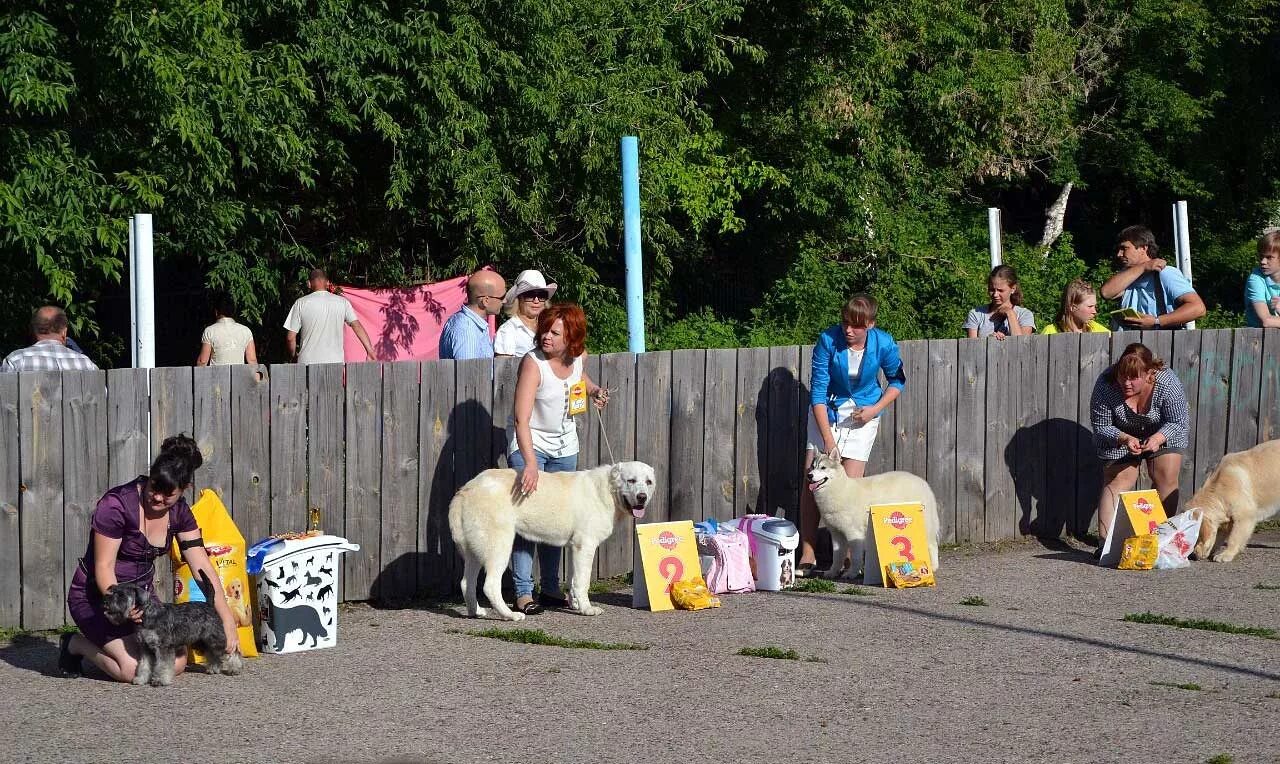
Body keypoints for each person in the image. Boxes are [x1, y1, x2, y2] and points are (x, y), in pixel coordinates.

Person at [58, 434, 240, 681]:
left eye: (168, 495)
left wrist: (226, 618)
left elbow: (201, 565)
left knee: (174, 664)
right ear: (150, 475)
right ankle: (75, 644)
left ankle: (116, 647)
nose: (157, 498)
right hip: (100, 596)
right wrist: (126, 607)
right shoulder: (116, 505)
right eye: (154, 487)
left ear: (184, 490)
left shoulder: (180, 513)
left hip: (143, 599)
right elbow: (104, 567)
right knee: (133, 670)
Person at [796, 293, 906, 577]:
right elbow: (818, 393)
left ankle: (846, 559)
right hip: (827, 413)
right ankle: (807, 552)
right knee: (812, 480)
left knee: (849, 487)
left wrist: (874, 410)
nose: (848, 330)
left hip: (863, 416)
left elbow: (897, 381)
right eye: (845, 323)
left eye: (856, 325)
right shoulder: (827, 341)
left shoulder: (884, 343)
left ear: (870, 324)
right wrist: (828, 440)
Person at [508, 303, 608, 614]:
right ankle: (523, 592)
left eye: (555, 332)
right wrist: (531, 464)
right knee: (526, 521)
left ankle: (550, 587)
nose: (546, 336)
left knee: (558, 523)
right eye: (545, 330)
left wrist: (593, 391)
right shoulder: (533, 363)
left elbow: (580, 378)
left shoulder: (579, 357)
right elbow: (520, 419)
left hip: (566, 448)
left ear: (572, 338)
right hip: (531, 447)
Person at [1089, 343, 1190, 558]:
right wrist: (1124, 438)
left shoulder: (1167, 382)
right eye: (1122, 376)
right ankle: (1105, 544)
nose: (1126, 383)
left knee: (1165, 477)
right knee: (1118, 480)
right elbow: (1101, 426)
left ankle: (1161, 540)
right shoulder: (1106, 384)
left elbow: (1179, 421)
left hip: (1163, 430)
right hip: (1118, 433)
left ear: (1149, 374)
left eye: (1133, 378)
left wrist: (1157, 438)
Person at [1100, 225, 1206, 330]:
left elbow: (1198, 308)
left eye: (1124, 248)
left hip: (1161, 343)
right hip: (1130, 344)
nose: (1119, 254)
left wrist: (1157, 322)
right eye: (1119, 249)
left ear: (1143, 248)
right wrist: (1143, 267)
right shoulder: (1129, 277)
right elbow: (1106, 293)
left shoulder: (1164, 273)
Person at [283, 269, 375, 364]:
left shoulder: (300, 303)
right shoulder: (342, 302)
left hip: (307, 364)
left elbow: (290, 337)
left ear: (309, 284)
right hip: (335, 363)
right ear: (327, 283)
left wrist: (293, 355)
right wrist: (370, 350)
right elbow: (357, 325)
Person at [1, 306, 100, 372]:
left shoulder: (16, 361)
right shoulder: (86, 364)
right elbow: (104, 398)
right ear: (64, 332)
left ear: (31, 331)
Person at [439, 269, 507, 360]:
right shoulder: (467, 329)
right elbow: (469, 372)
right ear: (485, 301)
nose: (505, 301)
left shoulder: (470, 323)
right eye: (502, 297)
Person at [494, 269, 557, 358]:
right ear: (518, 299)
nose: (536, 300)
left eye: (541, 295)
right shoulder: (507, 330)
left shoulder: (549, 326)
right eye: (530, 295)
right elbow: (504, 368)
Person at [963, 265, 1035, 338]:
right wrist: (990, 341)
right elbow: (972, 346)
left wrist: (1010, 313)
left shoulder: (1025, 315)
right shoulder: (976, 314)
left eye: (1001, 290)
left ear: (1013, 289)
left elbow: (1022, 344)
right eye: (992, 290)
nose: (995, 294)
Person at [196, 292, 257, 366]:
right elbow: (252, 360)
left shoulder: (210, 331)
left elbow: (203, 361)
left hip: (217, 376)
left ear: (216, 312)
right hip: (239, 375)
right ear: (233, 311)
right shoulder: (246, 331)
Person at [1040, 279, 1110, 334]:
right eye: (1090, 306)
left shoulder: (1095, 329)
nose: (1094, 311)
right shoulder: (1051, 332)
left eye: (1095, 306)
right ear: (1072, 307)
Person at [1244, 230, 1280, 328]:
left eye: (1269, 257)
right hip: (1258, 338)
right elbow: (1266, 321)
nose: (1263, 262)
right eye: (1261, 256)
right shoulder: (1256, 278)